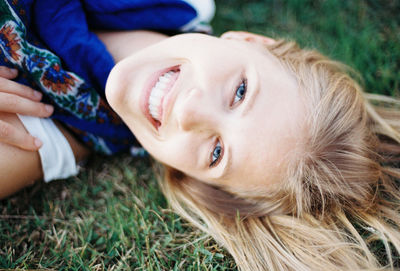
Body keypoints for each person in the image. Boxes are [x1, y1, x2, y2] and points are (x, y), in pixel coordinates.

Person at [2, 1, 400, 271]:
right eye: (241, 92)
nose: (190, 110)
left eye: (216, 152)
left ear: (191, 178)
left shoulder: (47, 136)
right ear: (249, 41)